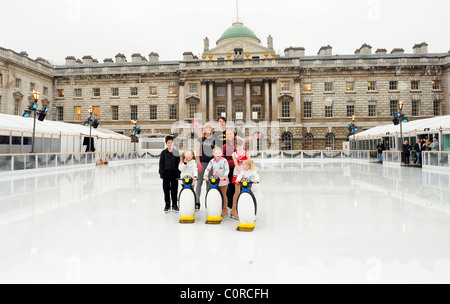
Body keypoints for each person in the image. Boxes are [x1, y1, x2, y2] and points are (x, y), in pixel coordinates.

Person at [204, 147, 230, 217]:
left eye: (219, 153)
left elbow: (227, 170)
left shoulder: (224, 160)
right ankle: (218, 208)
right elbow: (207, 169)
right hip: (215, 181)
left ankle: (225, 209)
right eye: (216, 153)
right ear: (213, 154)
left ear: (221, 153)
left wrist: (224, 176)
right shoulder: (212, 161)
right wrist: (206, 175)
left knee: (223, 194)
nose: (218, 154)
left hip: (223, 180)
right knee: (217, 195)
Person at [195, 123, 216, 211]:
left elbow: (215, 152)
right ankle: (197, 202)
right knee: (199, 182)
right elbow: (197, 152)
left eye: (209, 127)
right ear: (204, 129)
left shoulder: (214, 139)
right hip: (202, 163)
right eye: (206, 127)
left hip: (210, 163)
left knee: (209, 183)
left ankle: (208, 202)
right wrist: (199, 164)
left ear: (211, 129)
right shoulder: (200, 139)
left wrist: (213, 165)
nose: (208, 128)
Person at [159, 136, 181, 213]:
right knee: (166, 190)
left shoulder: (176, 152)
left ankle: (174, 205)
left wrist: (179, 174)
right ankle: (167, 205)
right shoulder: (163, 153)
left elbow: (179, 163)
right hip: (166, 173)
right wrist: (161, 174)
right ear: (166, 143)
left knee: (174, 190)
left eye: (171, 142)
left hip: (174, 173)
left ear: (173, 143)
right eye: (168, 142)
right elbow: (161, 164)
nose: (170, 144)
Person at [231, 139, 251, 219]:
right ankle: (233, 210)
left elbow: (250, 164)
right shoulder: (234, 154)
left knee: (247, 191)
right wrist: (241, 173)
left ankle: (245, 208)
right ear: (235, 146)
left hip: (246, 173)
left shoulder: (247, 153)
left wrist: (247, 173)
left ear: (243, 145)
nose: (239, 147)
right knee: (237, 192)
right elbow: (236, 165)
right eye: (237, 145)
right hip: (238, 174)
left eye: (240, 145)